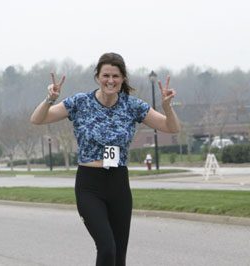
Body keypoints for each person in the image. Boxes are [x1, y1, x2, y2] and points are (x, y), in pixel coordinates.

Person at [31, 52, 180, 266]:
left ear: (122, 79)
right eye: (106, 75)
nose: (111, 80)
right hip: (90, 186)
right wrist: (50, 100)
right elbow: (38, 119)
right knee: (107, 247)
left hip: (118, 183)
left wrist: (167, 107)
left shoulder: (132, 106)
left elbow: (172, 127)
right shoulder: (80, 102)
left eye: (116, 76)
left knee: (118, 257)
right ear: (98, 77)